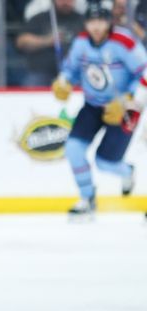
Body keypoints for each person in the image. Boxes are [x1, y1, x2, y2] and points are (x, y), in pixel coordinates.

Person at [51, 0, 147, 217]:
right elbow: (71, 69)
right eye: (91, 21)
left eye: (100, 21)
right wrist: (63, 81)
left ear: (108, 22)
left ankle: (127, 171)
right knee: (73, 149)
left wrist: (126, 101)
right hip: (93, 105)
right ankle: (87, 197)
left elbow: (144, 73)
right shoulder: (82, 42)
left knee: (106, 163)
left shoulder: (124, 42)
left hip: (124, 109)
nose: (96, 27)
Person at [17, 0, 85, 87]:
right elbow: (21, 42)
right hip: (42, 72)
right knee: (32, 84)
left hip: (75, 72)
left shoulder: (83, 20)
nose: (65, 2)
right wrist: (47, 41)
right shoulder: (40, 18)